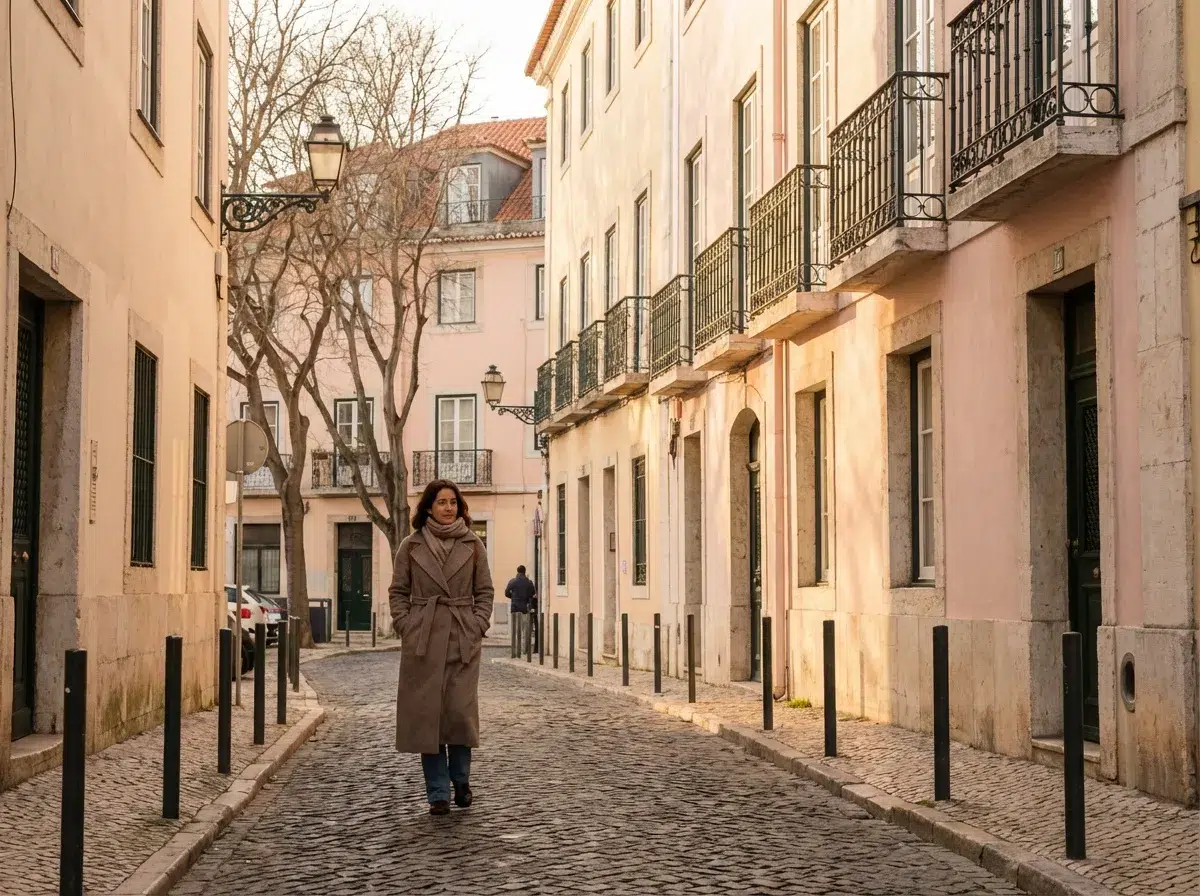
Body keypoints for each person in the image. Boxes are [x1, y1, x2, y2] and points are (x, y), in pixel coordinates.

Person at [389, 479, 494, 816]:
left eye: (452, 502)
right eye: (441, 502)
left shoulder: (473, 545)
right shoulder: (411, 545)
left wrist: (478, 624)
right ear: (428, 508)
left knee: (459, 715)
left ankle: (460, 780)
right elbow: (398, 591)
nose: (448, 508)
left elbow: (486, 591)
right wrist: (407, 625)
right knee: (427, 718)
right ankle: (437, 793)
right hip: (423, 639)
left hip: (463, 637)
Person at [504, 565, 537, 648]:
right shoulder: (529, 582)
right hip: (525, 609)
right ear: (524, 572)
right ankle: (524, 648)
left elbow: (507, 593)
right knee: (525, 629)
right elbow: (532, 593)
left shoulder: (512, 581)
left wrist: (513, 597)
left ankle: (515, 648)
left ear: (517, 571)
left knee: (515, 629)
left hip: (515, 608)